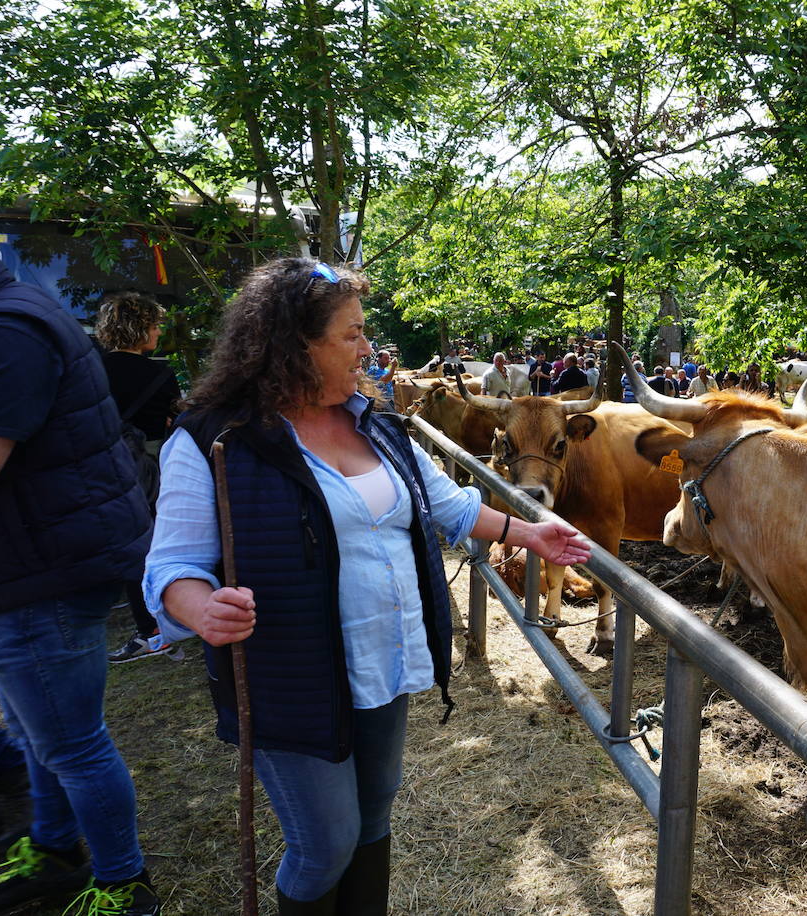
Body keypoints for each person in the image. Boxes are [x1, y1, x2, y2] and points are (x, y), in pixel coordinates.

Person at [143, 259, 590, 914]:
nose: (369, 350)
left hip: (384, 657)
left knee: (374, 816)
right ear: (294, 344)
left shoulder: (375, 426)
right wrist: (202, 608)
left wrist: (531, 534)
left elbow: (450, 506)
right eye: (351, 335)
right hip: (289, 676)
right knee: (326, 842)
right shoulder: (215, 441)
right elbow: (171, 567)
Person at [0, 254, 159, 914]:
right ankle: (57, 845)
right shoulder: (20, 317)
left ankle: (125, 883)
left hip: (47, 570)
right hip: (37, 562)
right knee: (41, 732)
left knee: (71, 740)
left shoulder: (10, 332)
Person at [95, 292, 186, 664]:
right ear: (140, 329)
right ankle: (164, 623)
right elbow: (175, 421)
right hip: (154, 468)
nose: (158, 331)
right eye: (154, 325)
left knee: (130, 544)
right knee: (160, 540)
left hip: (106, 468)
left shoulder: (92, 369)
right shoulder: (161, 373)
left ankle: (148, 629)